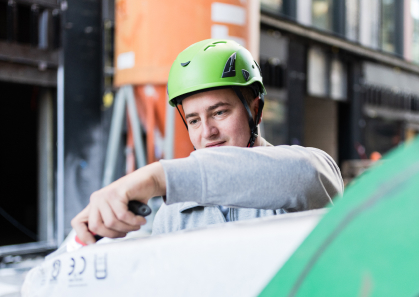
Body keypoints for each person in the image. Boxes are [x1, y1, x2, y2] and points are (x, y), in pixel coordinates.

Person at [72, 39, 344, 244]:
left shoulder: (307, 178)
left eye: (219, 112)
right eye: (194, 120)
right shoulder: (175, 215)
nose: (208, 131)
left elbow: (304, 175)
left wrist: (157, 178)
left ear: (256, 109)